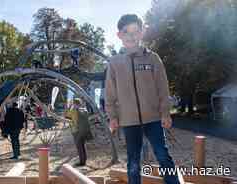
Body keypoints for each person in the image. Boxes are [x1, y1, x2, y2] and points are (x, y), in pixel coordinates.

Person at [105, 14, 179, 184]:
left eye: (135, 32)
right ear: (119, 35)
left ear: (142, 33)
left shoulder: (153, 58)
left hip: (153, 119)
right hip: (129, 121)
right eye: (126, 32)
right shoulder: (114, 63)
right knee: (133, 161)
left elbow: (162, 88)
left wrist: (165, 113)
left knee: (162, 154)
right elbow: (110, 93)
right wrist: (113, 117)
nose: (131, 36)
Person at [64, 98, 91, 167]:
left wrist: (68, 107)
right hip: (84, 130)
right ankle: (84, 160)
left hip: (76, 130)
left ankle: (82, 162)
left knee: (79, 147)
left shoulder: (73, 110)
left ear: (74, 103)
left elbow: (66, 116)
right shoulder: (85, 110)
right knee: (83, 146)